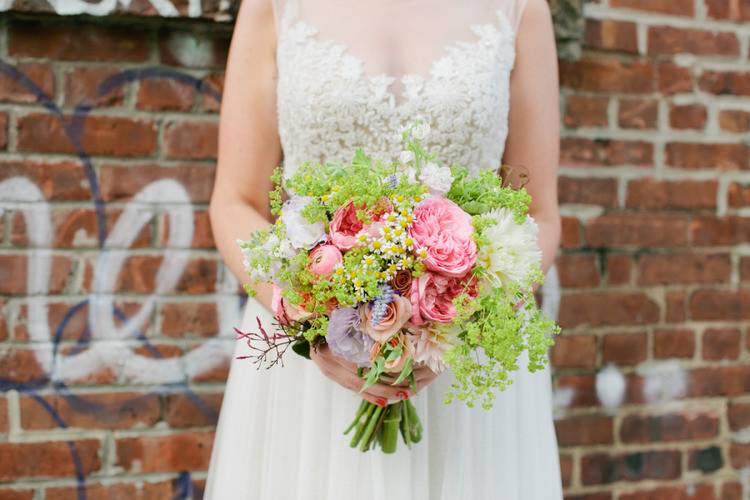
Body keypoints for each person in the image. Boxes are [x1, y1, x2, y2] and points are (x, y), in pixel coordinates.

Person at [205, 0, 562, 498]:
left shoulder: (521, 8)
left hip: (463, 358)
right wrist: (305, 317)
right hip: (310, 364)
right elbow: (235, 201)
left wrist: (459, 315)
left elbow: (540, 214)